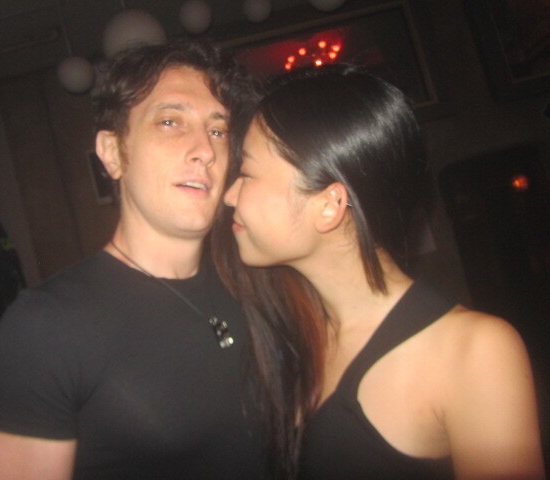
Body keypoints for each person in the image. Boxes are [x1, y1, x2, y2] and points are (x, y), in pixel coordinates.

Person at [216, 64, 545, 479]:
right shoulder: (295, 332)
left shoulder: (475, 351)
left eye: (246, 174)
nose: (230, 196)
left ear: (329, 206)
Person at [0, 41, 266, 480]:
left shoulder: (252, 282)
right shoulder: (45, 327)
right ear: (112, 153)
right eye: (170, 122)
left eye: (218, 130)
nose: (205, 149)